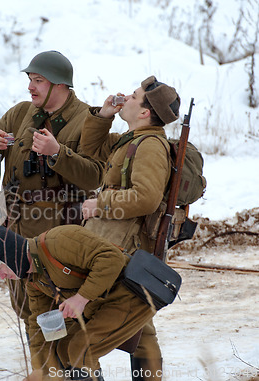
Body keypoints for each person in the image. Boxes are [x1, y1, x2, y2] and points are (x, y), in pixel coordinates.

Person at [0, 50, 104, 332]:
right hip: (16, 227)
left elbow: (95, 175)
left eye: (39, 80)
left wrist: (58, 154)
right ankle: (44, 372)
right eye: (30, 79)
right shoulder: (21, 113)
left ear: (60, 85)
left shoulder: (87, 120)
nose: (30, 86)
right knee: (27, 312)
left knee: (61, 315)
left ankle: (72, 372)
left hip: (58, 234)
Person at [80, 76, 181, 381]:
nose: (127, 96)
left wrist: (102, 204)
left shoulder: (149, 145)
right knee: (139, 322)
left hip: (124, 248)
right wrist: (103, 116)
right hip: (115, 242)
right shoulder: (132, 140)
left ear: (144, 112)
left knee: (85, 323)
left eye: (134, 96)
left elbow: (146, 198)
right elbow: (91, 150)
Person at [0, 225, 157, 381]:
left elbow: (112, 258)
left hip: (132, 294)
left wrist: (81, 298)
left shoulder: (58, 241)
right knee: (63, 348)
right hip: (105, 305)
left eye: (0, 268)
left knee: (81, 349)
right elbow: (38, 325)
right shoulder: (33, 280)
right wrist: (41, 372)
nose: (1, 276)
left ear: (10, 255)